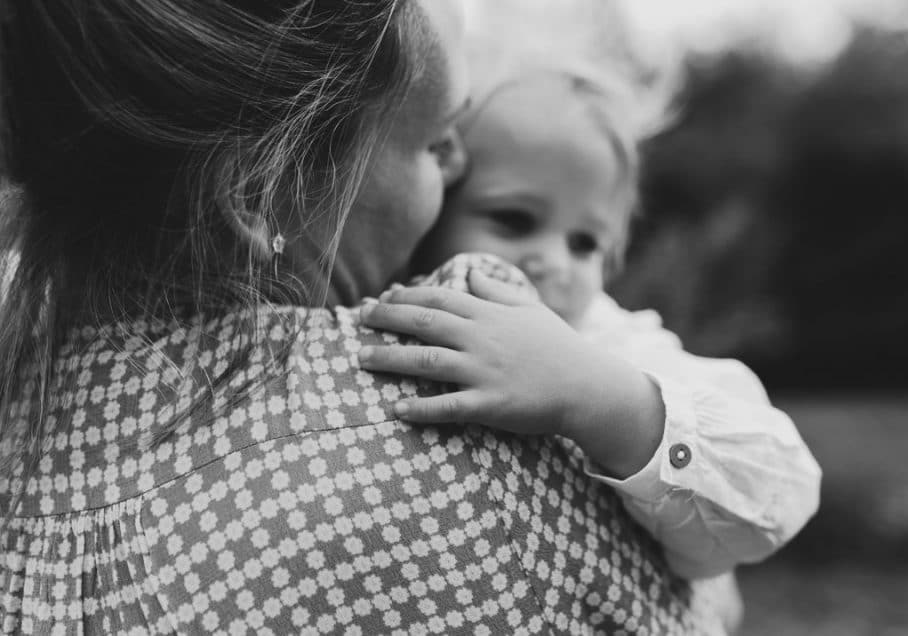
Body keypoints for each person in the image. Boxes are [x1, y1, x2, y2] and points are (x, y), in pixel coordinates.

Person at [0, 1, 726, 633]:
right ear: (259, 191)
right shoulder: (458, 424)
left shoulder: (28, 404)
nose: (456, 168)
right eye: (435, 140)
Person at [357, 48, 821, 613]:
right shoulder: (387, 304)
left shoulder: (612, 343)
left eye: (585, 242)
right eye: (514, 219)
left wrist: (600, 398)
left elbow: (780, 487)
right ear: (436, 200)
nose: (553, 258)